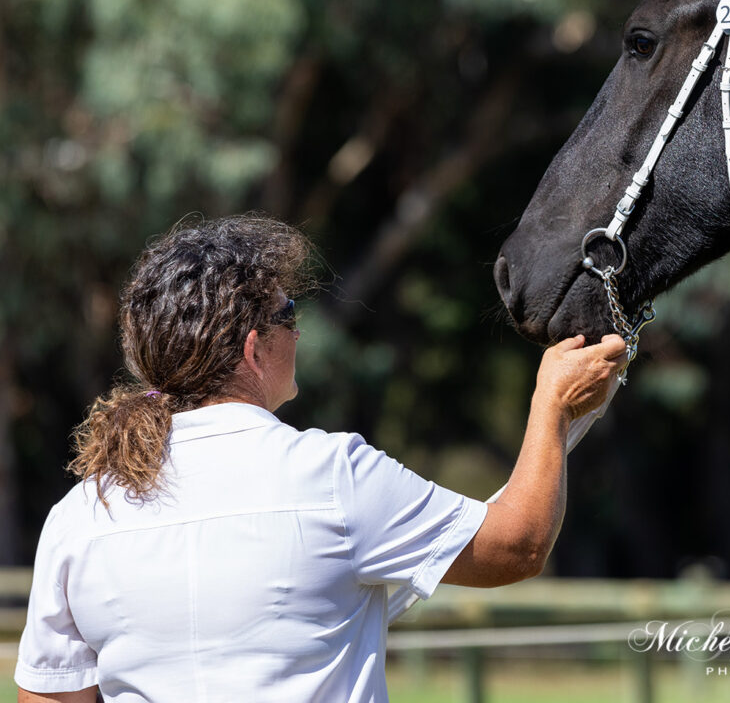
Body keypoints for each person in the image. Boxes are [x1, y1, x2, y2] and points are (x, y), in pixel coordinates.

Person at [14, 215, 627, 702]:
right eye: (289, 315)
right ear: (254, 349)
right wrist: (552, 407)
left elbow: (50, 697)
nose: (299, 332)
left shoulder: (79, 516)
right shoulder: (334, 475)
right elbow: (515, 546)